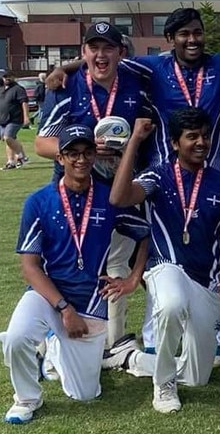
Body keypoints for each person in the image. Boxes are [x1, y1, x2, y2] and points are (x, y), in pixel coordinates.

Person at [49, 8, 220, 174]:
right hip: (165, 170)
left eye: (197, 32)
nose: (192, 39)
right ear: (171, 39)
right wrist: (66, 68)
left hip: (212, 170)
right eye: (184, 34)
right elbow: (107, 58)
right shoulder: (153, 67)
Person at [2, 125, 148, 424]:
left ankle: (54, 349)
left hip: (91, 300)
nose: (80, 160)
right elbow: (30, 267)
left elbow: (145, 234)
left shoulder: (110, 200)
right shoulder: (39, 202)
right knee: (16, 338)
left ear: (94, 156)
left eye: (86, 153)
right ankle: (27, 398)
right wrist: (65, 309)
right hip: (48, 295)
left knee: (85, 394)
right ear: (60, 158)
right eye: (72, 153)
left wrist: (133, 278)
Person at [107, 107, 220, 413]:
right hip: (165, 267)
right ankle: (164, 383)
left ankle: (135, 359)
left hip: (205, 280)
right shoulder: (158, 175)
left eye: (205, 137)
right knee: (170, 303)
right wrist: (134, 143)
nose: (200, 143)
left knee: (197, 377)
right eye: (191, 136)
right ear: (174, 143)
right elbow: (118, 198)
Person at [35, 22, 151, 349]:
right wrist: (83, 148)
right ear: (83, 52)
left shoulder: (136, 84)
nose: (101, 55)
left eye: (108, 48)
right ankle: (51, 338)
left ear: (121, 53)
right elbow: (42, 143)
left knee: (115, 263)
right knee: (66, 264)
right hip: (72, 192)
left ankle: (113, 340)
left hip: (119, 191)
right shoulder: (66, 86)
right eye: (93, 48)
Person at [0, 72, 30, 170]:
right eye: (5, 77)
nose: (7, 79)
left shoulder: (18, 89)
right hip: (3, 119)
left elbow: (24, 103)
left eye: (9, 76)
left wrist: (26, 117)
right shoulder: (2, 89)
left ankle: (22, 157)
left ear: (14, 77)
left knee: (8, 137)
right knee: (8, 140)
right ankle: (11, 162)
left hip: (15, 118)